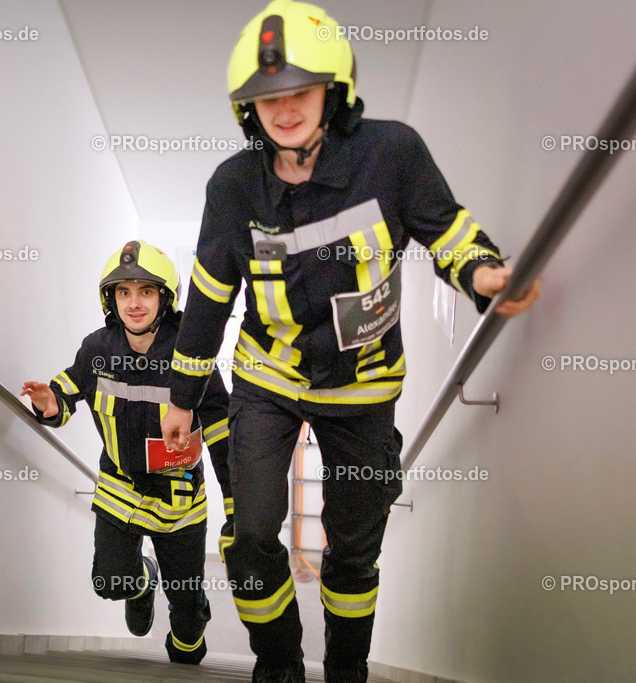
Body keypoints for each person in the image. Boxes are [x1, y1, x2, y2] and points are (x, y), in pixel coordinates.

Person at [159, 2, 540, 681]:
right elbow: (209, 300)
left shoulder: (390, 154)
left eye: (299, 91)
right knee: (249, 536)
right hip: (267, 377)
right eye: (266, 98)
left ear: (334, 88)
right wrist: (182, 397)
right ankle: (278, 662)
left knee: (354, 551)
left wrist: (484, 273)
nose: (283, 109)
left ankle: (346, 668)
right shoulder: (232, 185)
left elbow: (444, 229)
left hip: (364, 386)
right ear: (247, 108)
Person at [21, 240, 233, 665]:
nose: (134, 304)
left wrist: (236, 505)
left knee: (188, 627)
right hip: (121, 488)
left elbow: (222, 430)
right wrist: (51, 404)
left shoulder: (189, 355)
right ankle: (143, 581)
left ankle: (186, 636)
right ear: (111, 300)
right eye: (123, 293)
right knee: (110, 582)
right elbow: (68, 388)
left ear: (164, 298)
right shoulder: (97, 349)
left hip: (180, 500)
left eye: (146, 292)